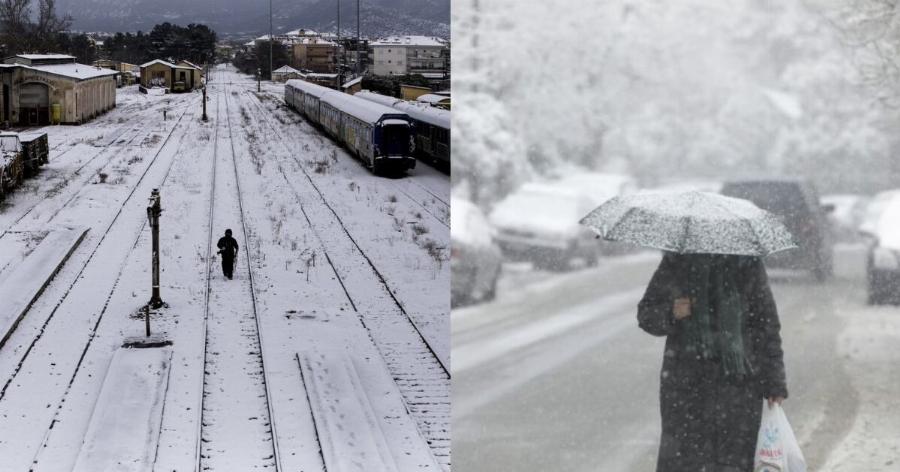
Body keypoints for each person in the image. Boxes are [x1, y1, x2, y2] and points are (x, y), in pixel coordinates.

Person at [637, 252, 788, 472]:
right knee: (686, 462)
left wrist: (775, 381)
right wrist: (672, 312)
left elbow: (767, 326)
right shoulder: (677, 261)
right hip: (686, 389)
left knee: (733, 462)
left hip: (739, 388)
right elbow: (646, 314)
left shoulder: (747, 262)